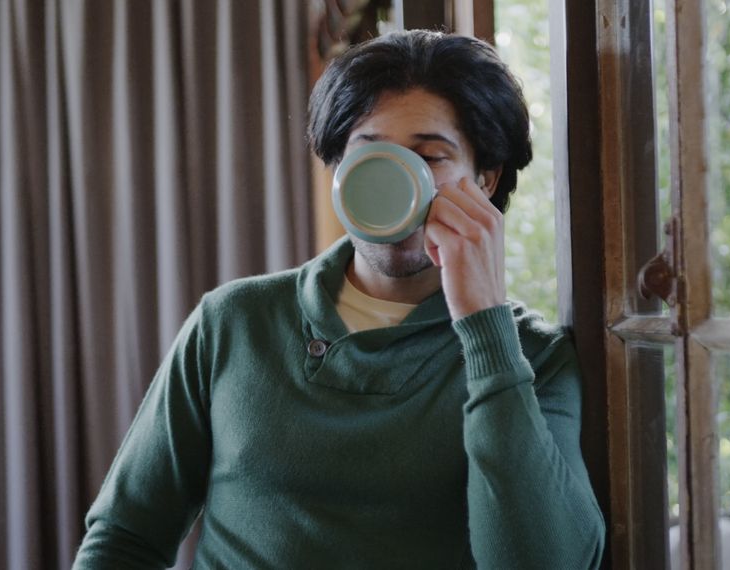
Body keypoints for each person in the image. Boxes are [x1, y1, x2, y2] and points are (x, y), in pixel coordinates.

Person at [73, 29, 605, 569]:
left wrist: (486, 328)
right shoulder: (233, 323)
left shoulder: (533, 360)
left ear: (485, 180)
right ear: (338, 172)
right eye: (371, 156)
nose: (397, 182)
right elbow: (124, 539)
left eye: (430, 157)